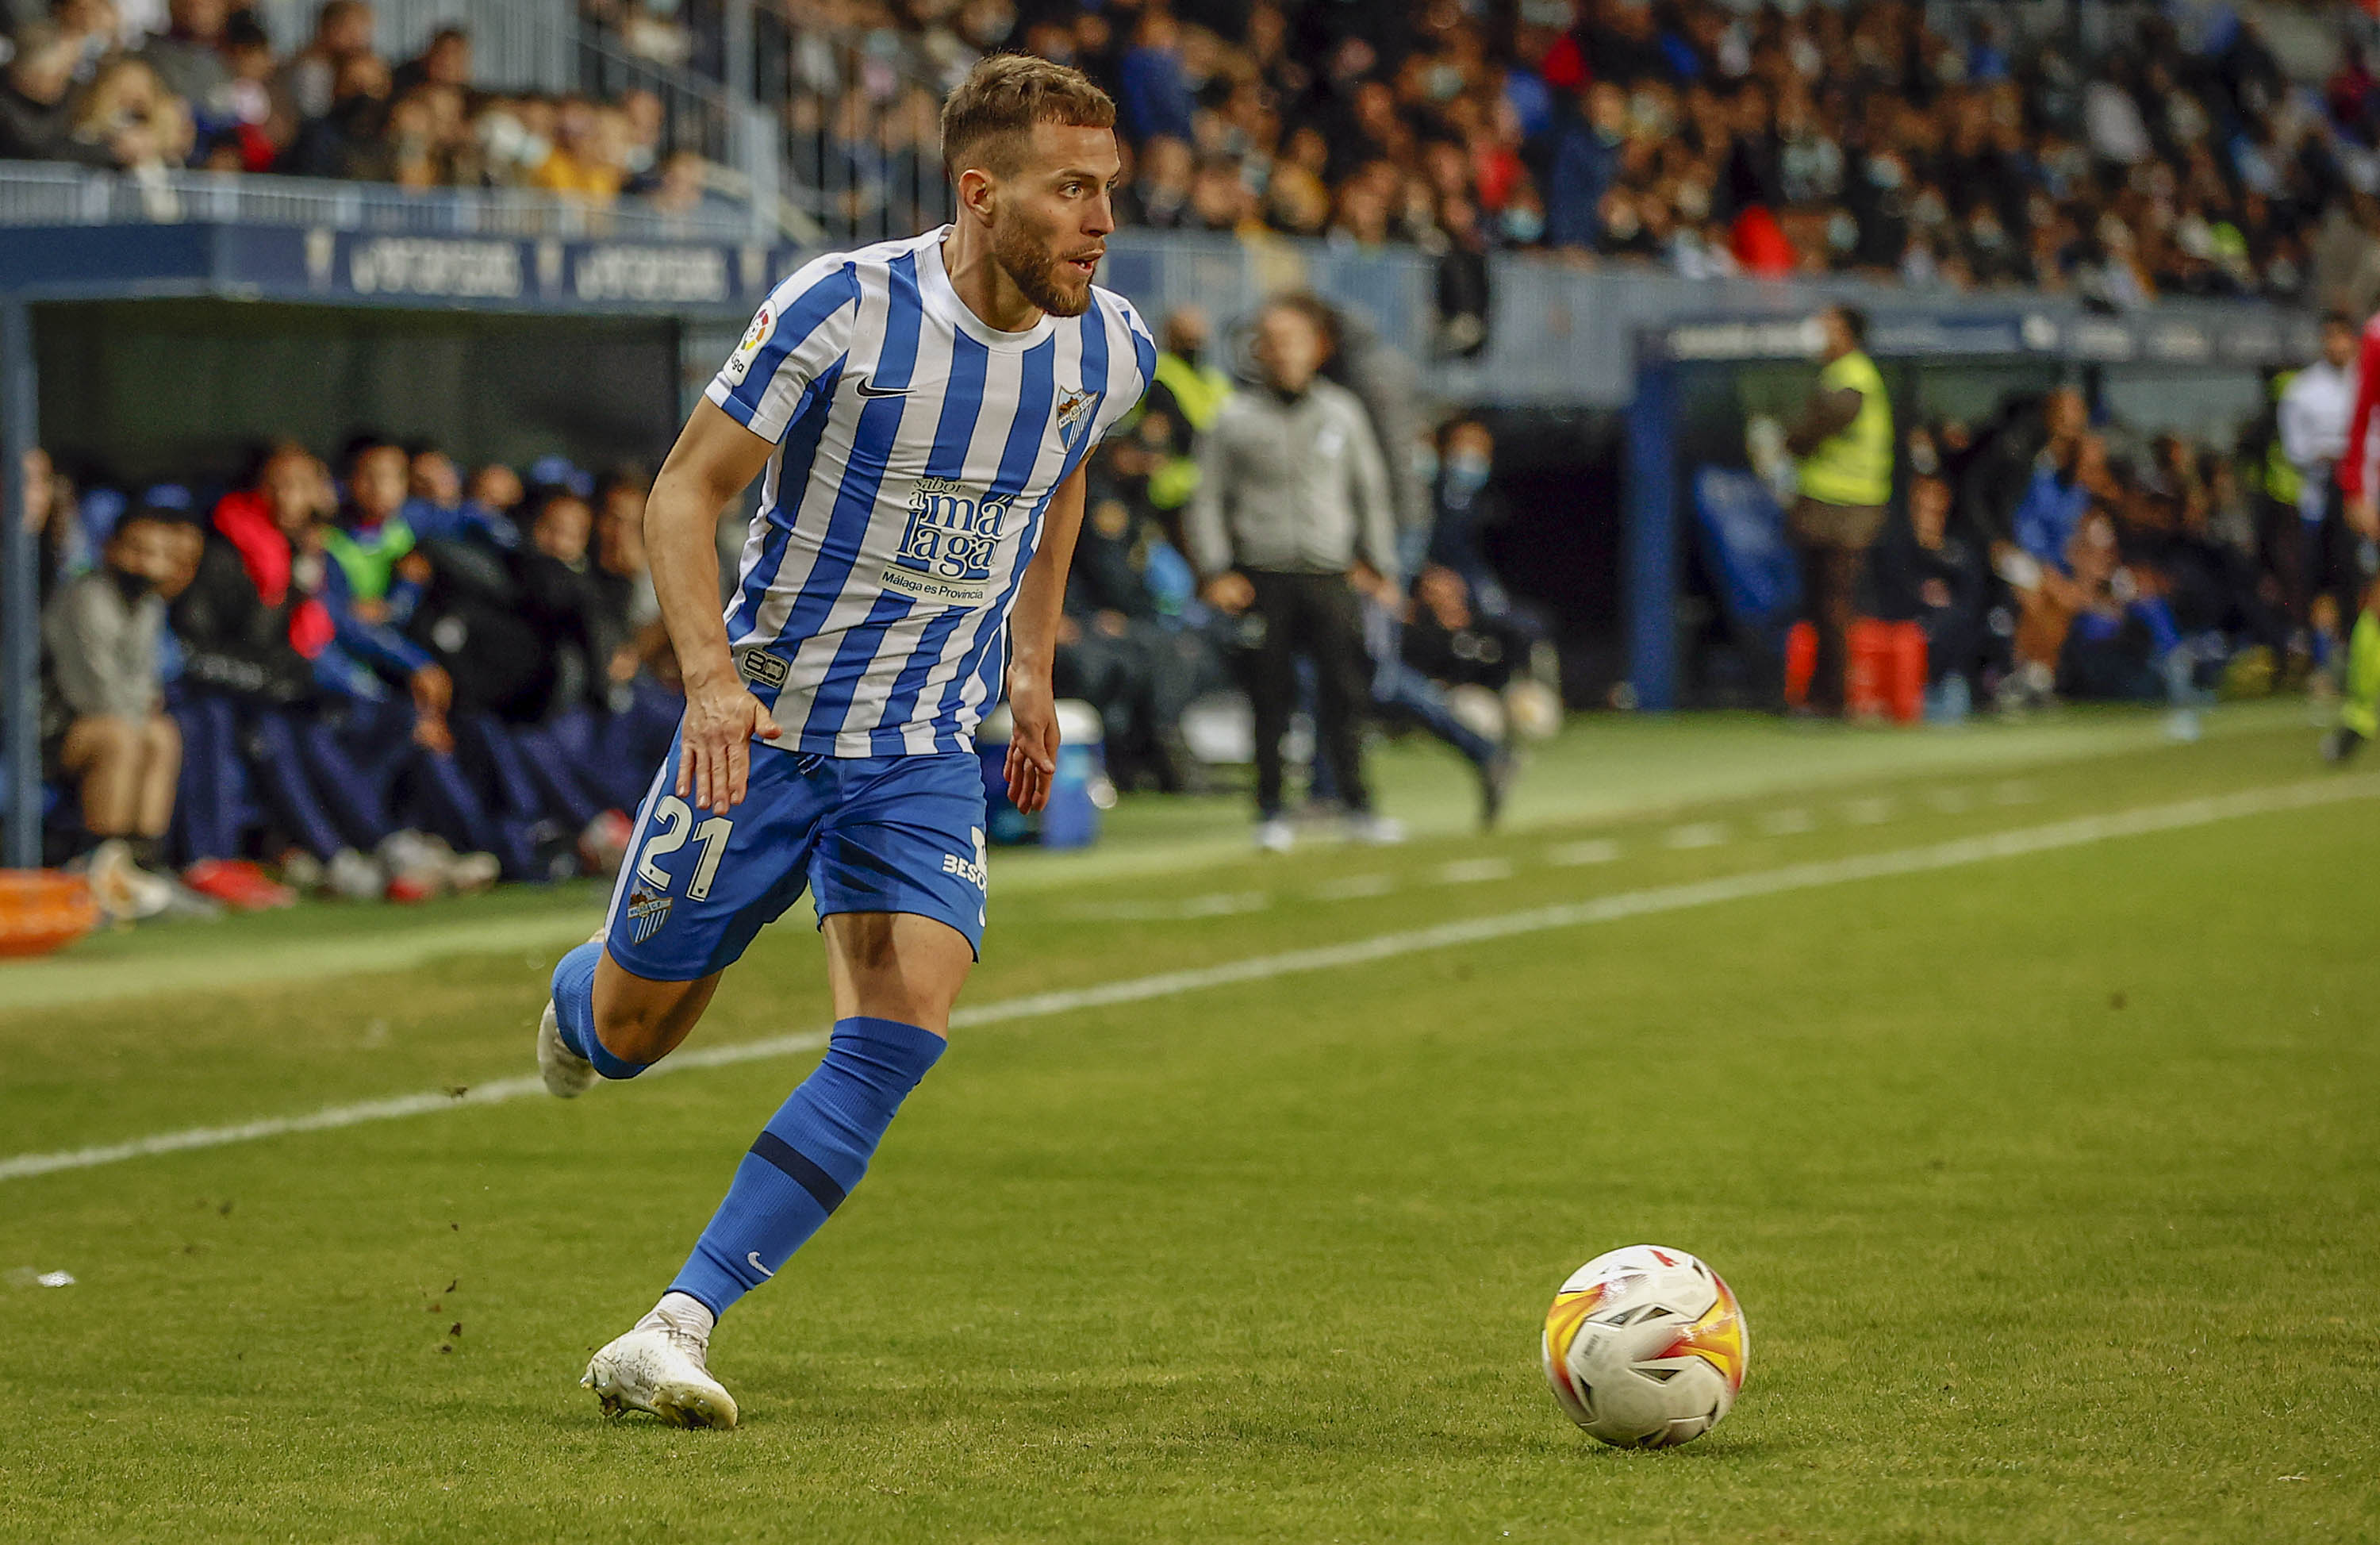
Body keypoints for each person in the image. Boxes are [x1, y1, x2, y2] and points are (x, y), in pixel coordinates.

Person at [540, 53, 1152, 1429]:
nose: (1103, 219)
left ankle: (672, 1323)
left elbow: (1060, 475)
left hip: (923, 749)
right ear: (981, 191)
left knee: (900, 1026)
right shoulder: (842, 308)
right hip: (760, 733)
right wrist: (707, 682)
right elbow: (683, 495)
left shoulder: (1110, 346)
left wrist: (1032, 665)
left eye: (1110, 189)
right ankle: (583, 994)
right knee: (634, 1037)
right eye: (1072, 191)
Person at [1184, 292, 1402, 851]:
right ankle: (1272, 812)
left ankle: (1359, 805)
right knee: (1269, 699)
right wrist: (1215, 571)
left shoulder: (1342, 413)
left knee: (1346, 695)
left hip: (1332, 574)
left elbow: (1370, 492)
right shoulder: (1232, 418)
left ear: (1317, 348)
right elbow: (1205, 499)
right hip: (1263, 575)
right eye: (1272, 341)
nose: (1282, 352)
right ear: (1258, 349)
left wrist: (1382, 565)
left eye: (1293, 340)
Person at [40, 494, 190, 919]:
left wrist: (144, 711)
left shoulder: (150, 604)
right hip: (47, 728)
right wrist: (139, 712)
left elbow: (148, 684)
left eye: (159, 554)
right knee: (121, 737)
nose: (147, 563)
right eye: (138, 550)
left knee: (163, 733)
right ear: (110, 548)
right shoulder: (86, 596)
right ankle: (96, 872)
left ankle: (141, 869)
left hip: (110, 721)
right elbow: (91, 692)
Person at [1783, 304, 1893, 717]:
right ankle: (1818, 694)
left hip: (1848, 510)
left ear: (1846, 332)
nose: (1818, 328)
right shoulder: (1836, 375)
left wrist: (1787, 439)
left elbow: (1821, 425)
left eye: (1828, 322)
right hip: (1825, 506)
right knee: (1817, 604)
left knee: (1833, 603)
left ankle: (1834, 699)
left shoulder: (1854, 377)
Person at [1138, 305, 1231, 532]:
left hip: (1214, 488)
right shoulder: (1158, 373)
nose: (1194, 343)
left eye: (1198, 336)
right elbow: (1179, 434)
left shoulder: (1214, 379)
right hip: (1173, 494)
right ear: (1170, 336)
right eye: (1187, 336)